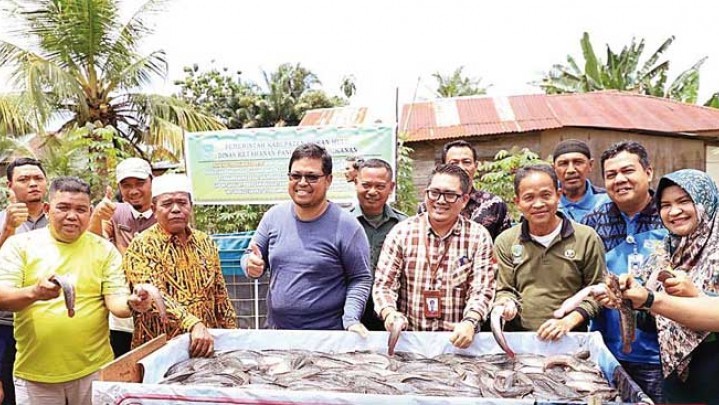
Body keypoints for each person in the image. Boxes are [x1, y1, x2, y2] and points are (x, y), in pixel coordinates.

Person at [0, 177, 152, 405]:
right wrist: (34, 292)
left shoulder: (104, 249)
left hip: (94, 372)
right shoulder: (20, 245)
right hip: (36, 375)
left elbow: (116, 303)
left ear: (90, 213)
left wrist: (132, 303)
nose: (72, 216)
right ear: (48, 209)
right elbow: (3, 298)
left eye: (81, 209)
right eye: (63, 207)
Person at [598, 169, 719, 404]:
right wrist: (629, 301)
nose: (674, 212)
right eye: (665, 205)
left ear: (706, 200)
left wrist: (682, 296)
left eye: (684, 201)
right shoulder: (666, 249)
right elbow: (652, 323)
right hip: (678, 383)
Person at [244, 143, 372, 334]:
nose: (302, 182)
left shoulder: (347, 226)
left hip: (327, 338)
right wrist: (250, 265)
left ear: (328, 180)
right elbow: (250, 255)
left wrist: (351, 318)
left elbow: (360, 278)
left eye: (312, 177)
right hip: (277, 334)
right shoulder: (273, 217)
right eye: (296, 176)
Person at [373, 164, 496, 349]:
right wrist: (389, 313)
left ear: (464, 200)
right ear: (426, 194)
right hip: (410, 343)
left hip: (458, 344)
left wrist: (470, 321)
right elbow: (384, 285)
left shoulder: (478, 237)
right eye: (434, 193)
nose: (440, 200)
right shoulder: (402, 232)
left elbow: (482, 289)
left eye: (450, 195)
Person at [582, 141, 666, 403]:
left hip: (661, 355)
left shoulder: (670, 216)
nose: (620, 180)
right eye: (611, 175)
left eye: (627, 171)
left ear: (648, 172)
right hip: (608, 351)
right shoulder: (594, 222)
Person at [123, 174, 237, 356]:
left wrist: (232, 335)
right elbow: (152, 295)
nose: (176, 209)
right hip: (160, 350)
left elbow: (220, 294)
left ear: (190, 207)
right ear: (154, 209)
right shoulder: (142, 245)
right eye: (167, 204)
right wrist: (193, 323)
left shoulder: (205, 242)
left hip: (205, 346)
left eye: (182, 203)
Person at [493, 164, 606, 339]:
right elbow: (504, 289)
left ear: (558, 196)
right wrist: (505, 303)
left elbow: (599, 292)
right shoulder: (505, 241)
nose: (538, 204)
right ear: (517, 203)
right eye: (529, 197)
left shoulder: (586, 238)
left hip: (572, 338)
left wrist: (568, 321)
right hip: (520, 340)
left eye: (546, 195)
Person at [88, 157, 157, 359]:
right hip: (122, 308)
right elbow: (94, 242)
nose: (133, 190)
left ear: (151, 181)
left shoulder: (164, 210)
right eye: (126, 185)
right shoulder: (115, 211)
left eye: (139, 183)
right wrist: (97, 217)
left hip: (158, 305)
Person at [0, 157, 49, 405]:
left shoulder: (62, 216)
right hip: (6, 323)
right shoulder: (2, 219)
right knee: (10, 392)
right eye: (23, 179)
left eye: (38, 178)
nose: (32, 184)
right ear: (10, 186)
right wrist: (8, 229)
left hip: (51, 320)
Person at [349, 159, 407, 331]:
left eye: (380, 186)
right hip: (349, 311)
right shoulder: (342, 223)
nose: (372, 192)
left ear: (391, 187)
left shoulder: (404, 225)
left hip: (393, 312)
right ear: (355, 183)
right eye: (366, 185)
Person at [418, 140, 511, 240]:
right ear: (443, 167)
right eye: (454, 163)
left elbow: (504, 244)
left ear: (475, 166)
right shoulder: (429, 205)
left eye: (466, 162)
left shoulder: (494, 204)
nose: (461, 167)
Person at [553, 139, 610, 222]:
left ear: (590, 165)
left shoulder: (607, 201)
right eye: (564, 164)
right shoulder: (548, 202)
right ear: (554, 168)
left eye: (578, 162)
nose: (571, 170)